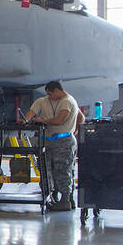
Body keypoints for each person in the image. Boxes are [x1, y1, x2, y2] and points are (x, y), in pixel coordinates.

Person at [22, 80, 80, 211]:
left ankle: (66, 199)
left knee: (63, 170)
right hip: (46, 142)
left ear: (57, 90)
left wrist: (41, 120)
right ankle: (51, 196)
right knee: (45, 170)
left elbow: (60, 120)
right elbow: (29, 115)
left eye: (50, 94)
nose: (49, 97)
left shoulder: (68, 102)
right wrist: (24, 121)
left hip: (63, 142)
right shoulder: (42, 101)